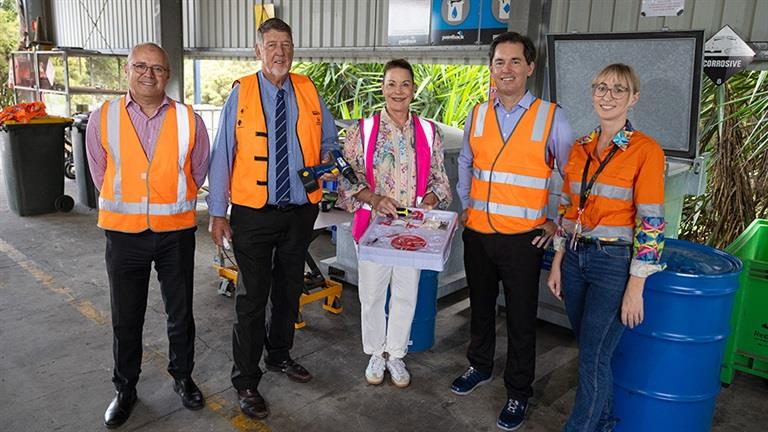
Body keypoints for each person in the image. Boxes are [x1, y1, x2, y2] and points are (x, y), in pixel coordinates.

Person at [206, 18, 339, 420]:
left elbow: (329, 140)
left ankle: (279, 355)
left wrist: (330, 161)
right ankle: (246, 380)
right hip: (252, 215)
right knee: (251, 299)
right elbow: (221, 156)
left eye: (286, 44)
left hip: (299, 213)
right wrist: (216, 213)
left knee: (287, 291)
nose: (279, 52)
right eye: (271, 45)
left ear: (293, 49)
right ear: (257, 50)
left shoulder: (309, 90)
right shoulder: (241, 94)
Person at [452, 31, 575, 431]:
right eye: (499, 62)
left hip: (524, 238)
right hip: (480, 233)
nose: (506, 69)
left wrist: (556, 220)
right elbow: (467, 163)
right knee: (481, 308)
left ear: (530, 67)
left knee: (522, 319)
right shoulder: (477, 113)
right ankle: (479, 365)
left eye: (515, 62)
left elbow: (570, 175)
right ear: (491, 67)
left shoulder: (550, 116)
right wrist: (468, 205)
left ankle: (519, 392)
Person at [85, 43, 210, 428]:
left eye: (157, 68)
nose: (148, 74)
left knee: (180, 313)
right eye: (140, 66)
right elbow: (100, 173)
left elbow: (199, 168)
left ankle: (183, 377)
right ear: (127, 71)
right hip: (124, 236)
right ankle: (125, 389)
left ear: (167, 75)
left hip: (175, 232)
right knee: (126, 317)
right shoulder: (102, 118)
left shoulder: (190, 119)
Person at [547, 63, 666, 432]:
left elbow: (651, 223)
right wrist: (558, 260)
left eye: (618, 89)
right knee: (592, 354)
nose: (607, 96)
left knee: (593, 357)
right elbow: (568, 209)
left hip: (613, 263)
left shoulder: (646, 150)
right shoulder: (581, 147)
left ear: (633, 99)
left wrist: (637, 286)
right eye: (601, 87)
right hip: (575, 259)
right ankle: (604, 424)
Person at [337, 59, 452, 388]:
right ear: (382, 88)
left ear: (413, 89)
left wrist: (428, 201)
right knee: (371, 295)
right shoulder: (364, 130)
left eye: (405, 84)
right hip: (374, 231)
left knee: (405, 294)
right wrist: (374, 200)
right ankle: (376, 353)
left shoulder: (429, 132)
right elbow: (347, 180)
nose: (398, 91)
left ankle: (397, 354)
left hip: (411, 232)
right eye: (391, 84)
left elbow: (440, 181)